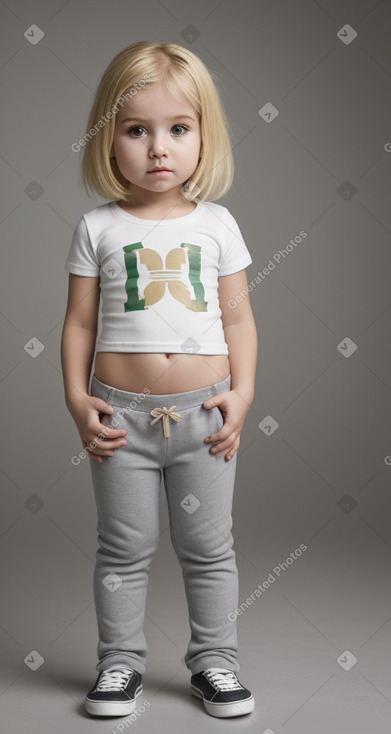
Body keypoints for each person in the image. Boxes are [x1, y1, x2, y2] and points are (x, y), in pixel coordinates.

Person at [61, 40, 257, 719]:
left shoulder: (217, 226)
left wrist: (243, 394)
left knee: (208, 547)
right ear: (108, 138)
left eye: (178, 128)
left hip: (203, 416)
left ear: (204, 134)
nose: (158, 149)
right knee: (123, 545)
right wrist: (77, 399)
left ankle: (215, 662)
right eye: (136, 130)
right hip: (122, 418)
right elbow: (80, 325)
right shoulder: (98, 227)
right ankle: (119, 664)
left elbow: (239, 323)